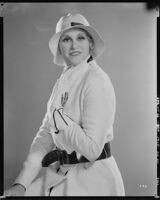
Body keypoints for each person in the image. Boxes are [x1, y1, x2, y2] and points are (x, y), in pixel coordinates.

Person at [4, 13, 125, 196]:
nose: (74, 45)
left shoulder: (96, 81)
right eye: (67, 39)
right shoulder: (64, 79)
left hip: (94, 181)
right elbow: (45, 136)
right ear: (59, 47)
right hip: (62, 173)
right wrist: (22, 183)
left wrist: (60, 118)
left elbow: (92, 150)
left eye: (81, 38)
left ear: (91, 43)